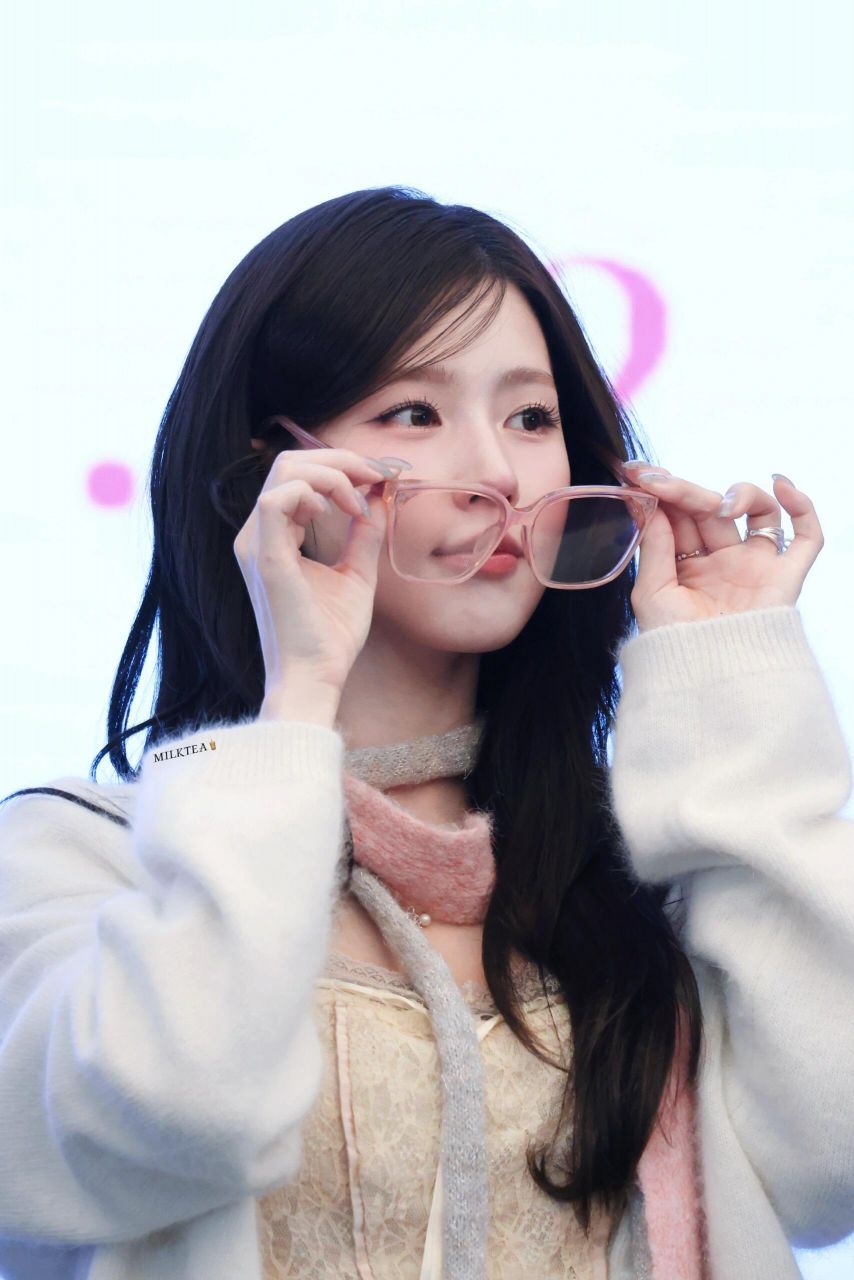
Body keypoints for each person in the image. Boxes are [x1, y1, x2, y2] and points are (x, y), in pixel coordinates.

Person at [0, 184, 850, 1280]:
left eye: (531, 417)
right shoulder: (85, 859)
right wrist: (300, 694)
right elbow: (163, 1120)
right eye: (413, 412)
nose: (495, 471)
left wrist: (727, 687)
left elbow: (827, 1162)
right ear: (271, 470)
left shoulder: (642, 872)